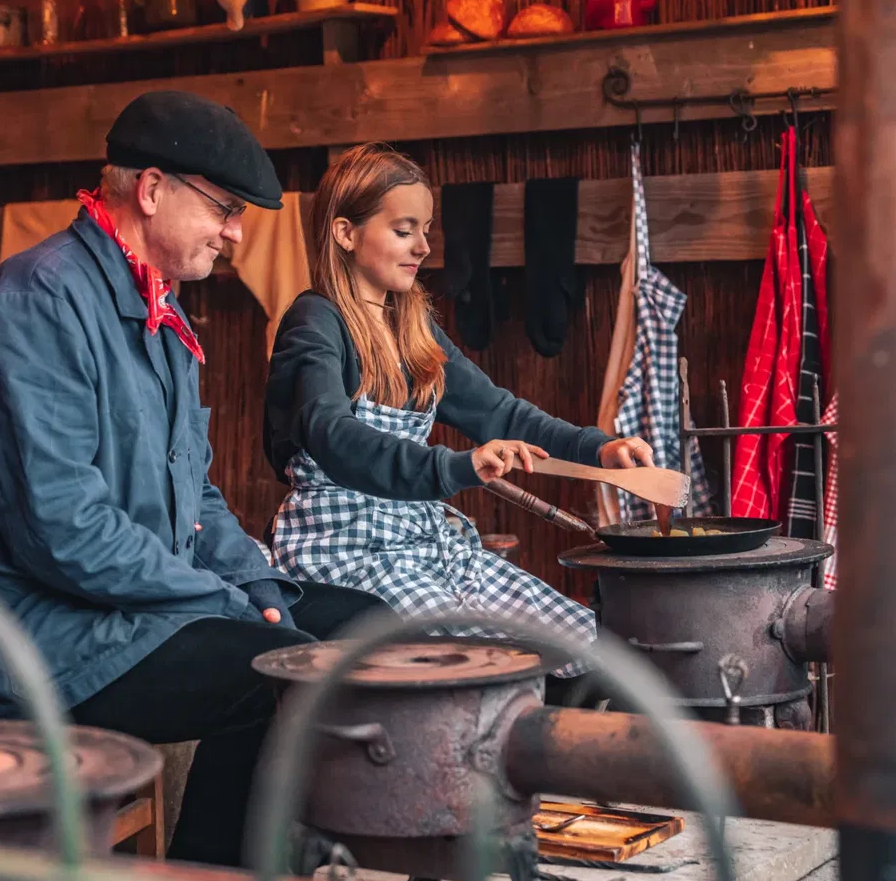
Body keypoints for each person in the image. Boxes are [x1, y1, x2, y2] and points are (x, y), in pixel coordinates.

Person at [0, 90, 388, 868]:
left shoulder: (161, 313)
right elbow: (62, 530)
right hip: (30, 642)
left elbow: (193, 496)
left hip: (127, 612)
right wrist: (225, 605)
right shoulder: (36, 302)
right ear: (153, 189)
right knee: (275, 675)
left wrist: (258, 584)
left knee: (361, 626)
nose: (236, 234)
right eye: (225, 209)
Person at [263, 143, 652, 702]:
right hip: (345, 550)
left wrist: (599, 449)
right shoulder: (316, 320)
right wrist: (456, 466)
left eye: (426, 229)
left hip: (425, 544)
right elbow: (332, 436)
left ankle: (550, 779)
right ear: (345, 233)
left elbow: (497, 412)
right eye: (404, 230)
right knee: (494, 666)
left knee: (589, 651)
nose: (423, 246)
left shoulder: (411, 325)